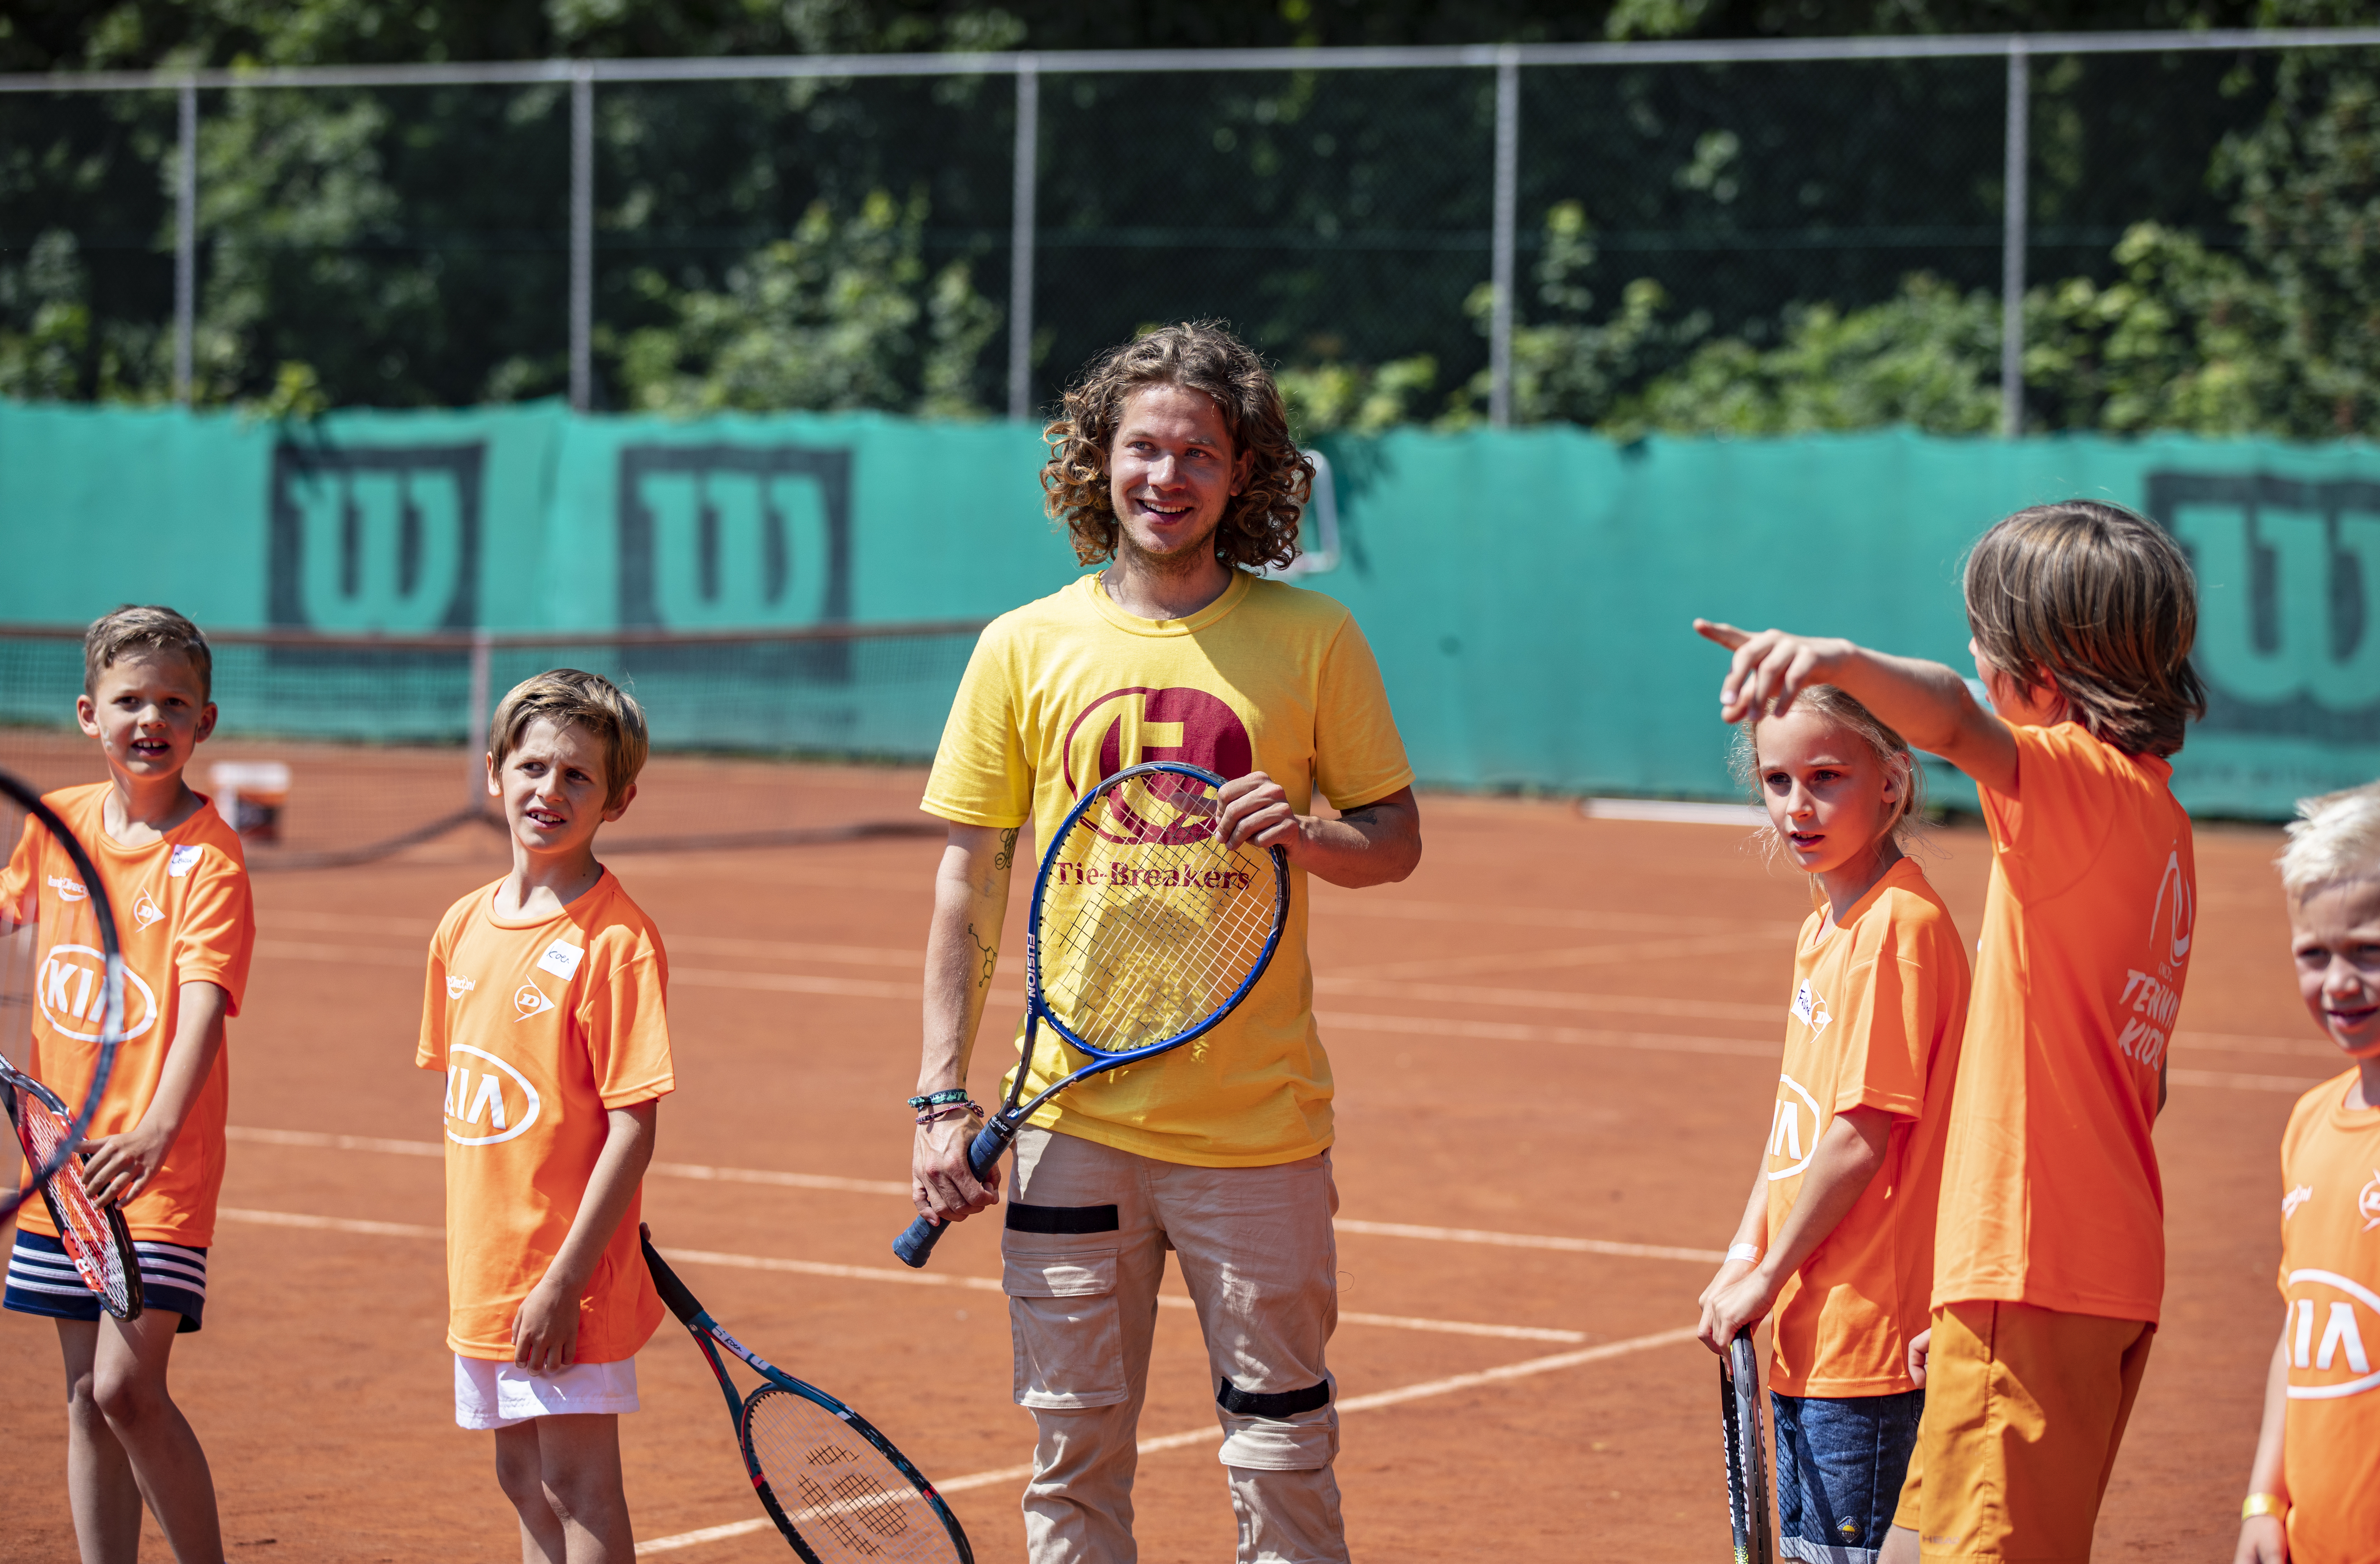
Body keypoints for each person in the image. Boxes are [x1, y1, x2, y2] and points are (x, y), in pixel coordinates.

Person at [908, 321, 1422, 1564]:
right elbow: (970, 883)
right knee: (1073, 1461)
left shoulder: (1315, 639)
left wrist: (1310, 832)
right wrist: (938, 1094)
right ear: (1100, 459)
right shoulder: (1022, 644)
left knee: (1283, 1454)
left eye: (1200, 449)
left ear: (1244, 473)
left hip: (1259, 1136)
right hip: (1067, 1130)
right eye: (1144, 445)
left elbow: (1394, 838)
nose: (1168, 474)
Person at [1698, 497, 2203, 1563]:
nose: (1972, 662)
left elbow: (1952, 718)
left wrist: (1834, 657)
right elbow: (2142, 1085)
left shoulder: (2077, 786)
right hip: (2095, 1273)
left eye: (1987, 642)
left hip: (2033, 1267)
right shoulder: (2164, 827)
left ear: (2046, 673)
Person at [1, 604, 255, 1564]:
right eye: (130, 700)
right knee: (83, 1399)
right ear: (87, 714)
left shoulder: (211, 860)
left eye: (174, 703)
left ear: (206, 723)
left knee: (124, 1390)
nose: (152, 719)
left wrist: (154, 1127)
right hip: (58, 1164)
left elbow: (202, 1002)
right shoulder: (58, 822)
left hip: (155, 1171)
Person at [1695, 686, 1969, 1564]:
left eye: (1826, 777)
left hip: (1871, 1346)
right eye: (1778, 780)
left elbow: (1860, 1135)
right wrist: (1744, 1258)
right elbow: (1797, 1124)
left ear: (1892, 782)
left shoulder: (1899, 928)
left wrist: (1768, 1273)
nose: (1796, 806)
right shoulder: (1830, 924)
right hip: (1816, 1334)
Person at [418, 670, 673, 1564]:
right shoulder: (459, 926)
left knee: (578, 1485)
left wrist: (566, 1277)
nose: (549, 791)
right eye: (531, 767)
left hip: (564, 1281)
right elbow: (481, 1111)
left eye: (578, 777)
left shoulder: (618, 941)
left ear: (620, 799)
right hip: (486, 1271)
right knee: (522, 1480)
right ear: (495, 774)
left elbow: (633, 1128)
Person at [2233, 783, 2380, 1564]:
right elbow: (2304, 1325)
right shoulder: (2310, 1121)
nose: (2340, 984)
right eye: (2315, 954)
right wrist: (2267, 1497)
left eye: (2370, 952)